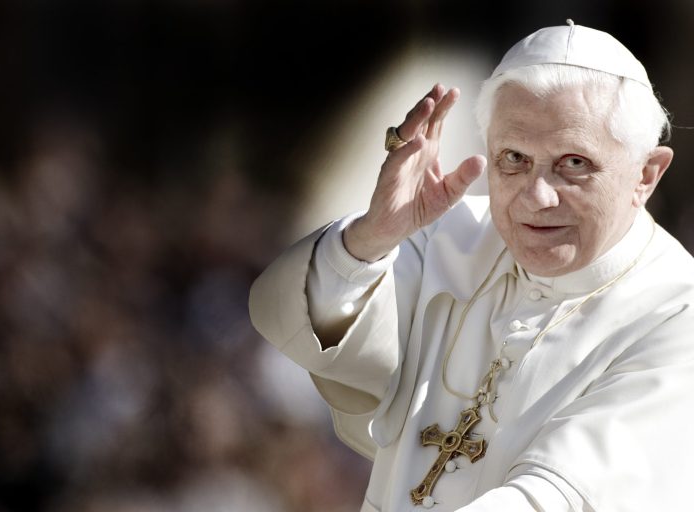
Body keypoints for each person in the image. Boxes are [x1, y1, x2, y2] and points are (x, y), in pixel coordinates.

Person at [249, 20, 694, 511]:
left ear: (646, 175)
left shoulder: (676, 311)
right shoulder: (451, 234)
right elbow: (288, 320)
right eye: (514, 158)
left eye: (573, 163)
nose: (537, 196)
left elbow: (559, 498)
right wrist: (371, 239)